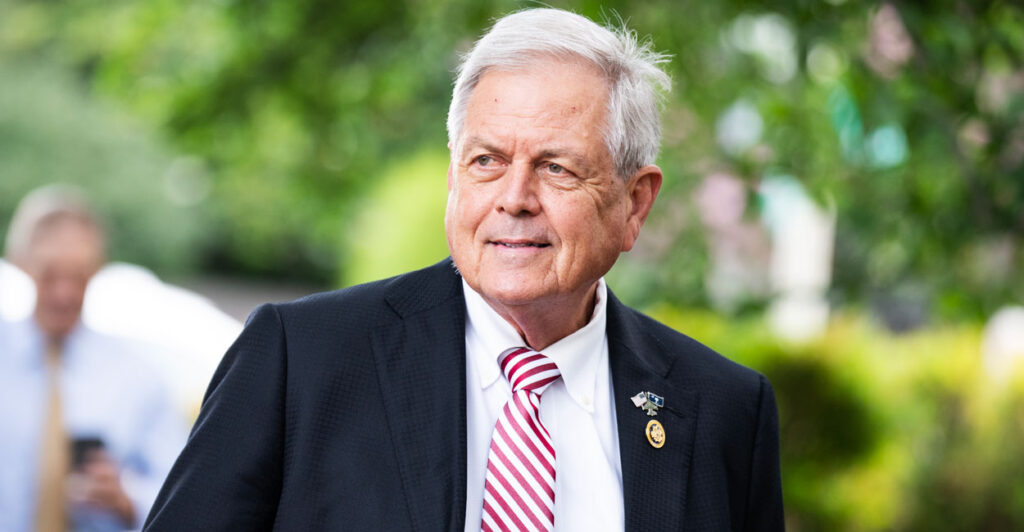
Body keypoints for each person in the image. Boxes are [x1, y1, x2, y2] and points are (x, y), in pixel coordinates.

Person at [144, 8, 784, 531]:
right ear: (455, 173)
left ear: (635, 203)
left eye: (556, 167)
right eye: (487, 161)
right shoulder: (302, 362)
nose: (515, 198)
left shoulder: (725, 410)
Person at [0, 185, 186, 531]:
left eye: (78, 277)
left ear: (98, 269)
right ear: (20, 264)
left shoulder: (138, 376)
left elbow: (182, 493)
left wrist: (127, 500)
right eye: (50, 274)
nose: (64, 293)